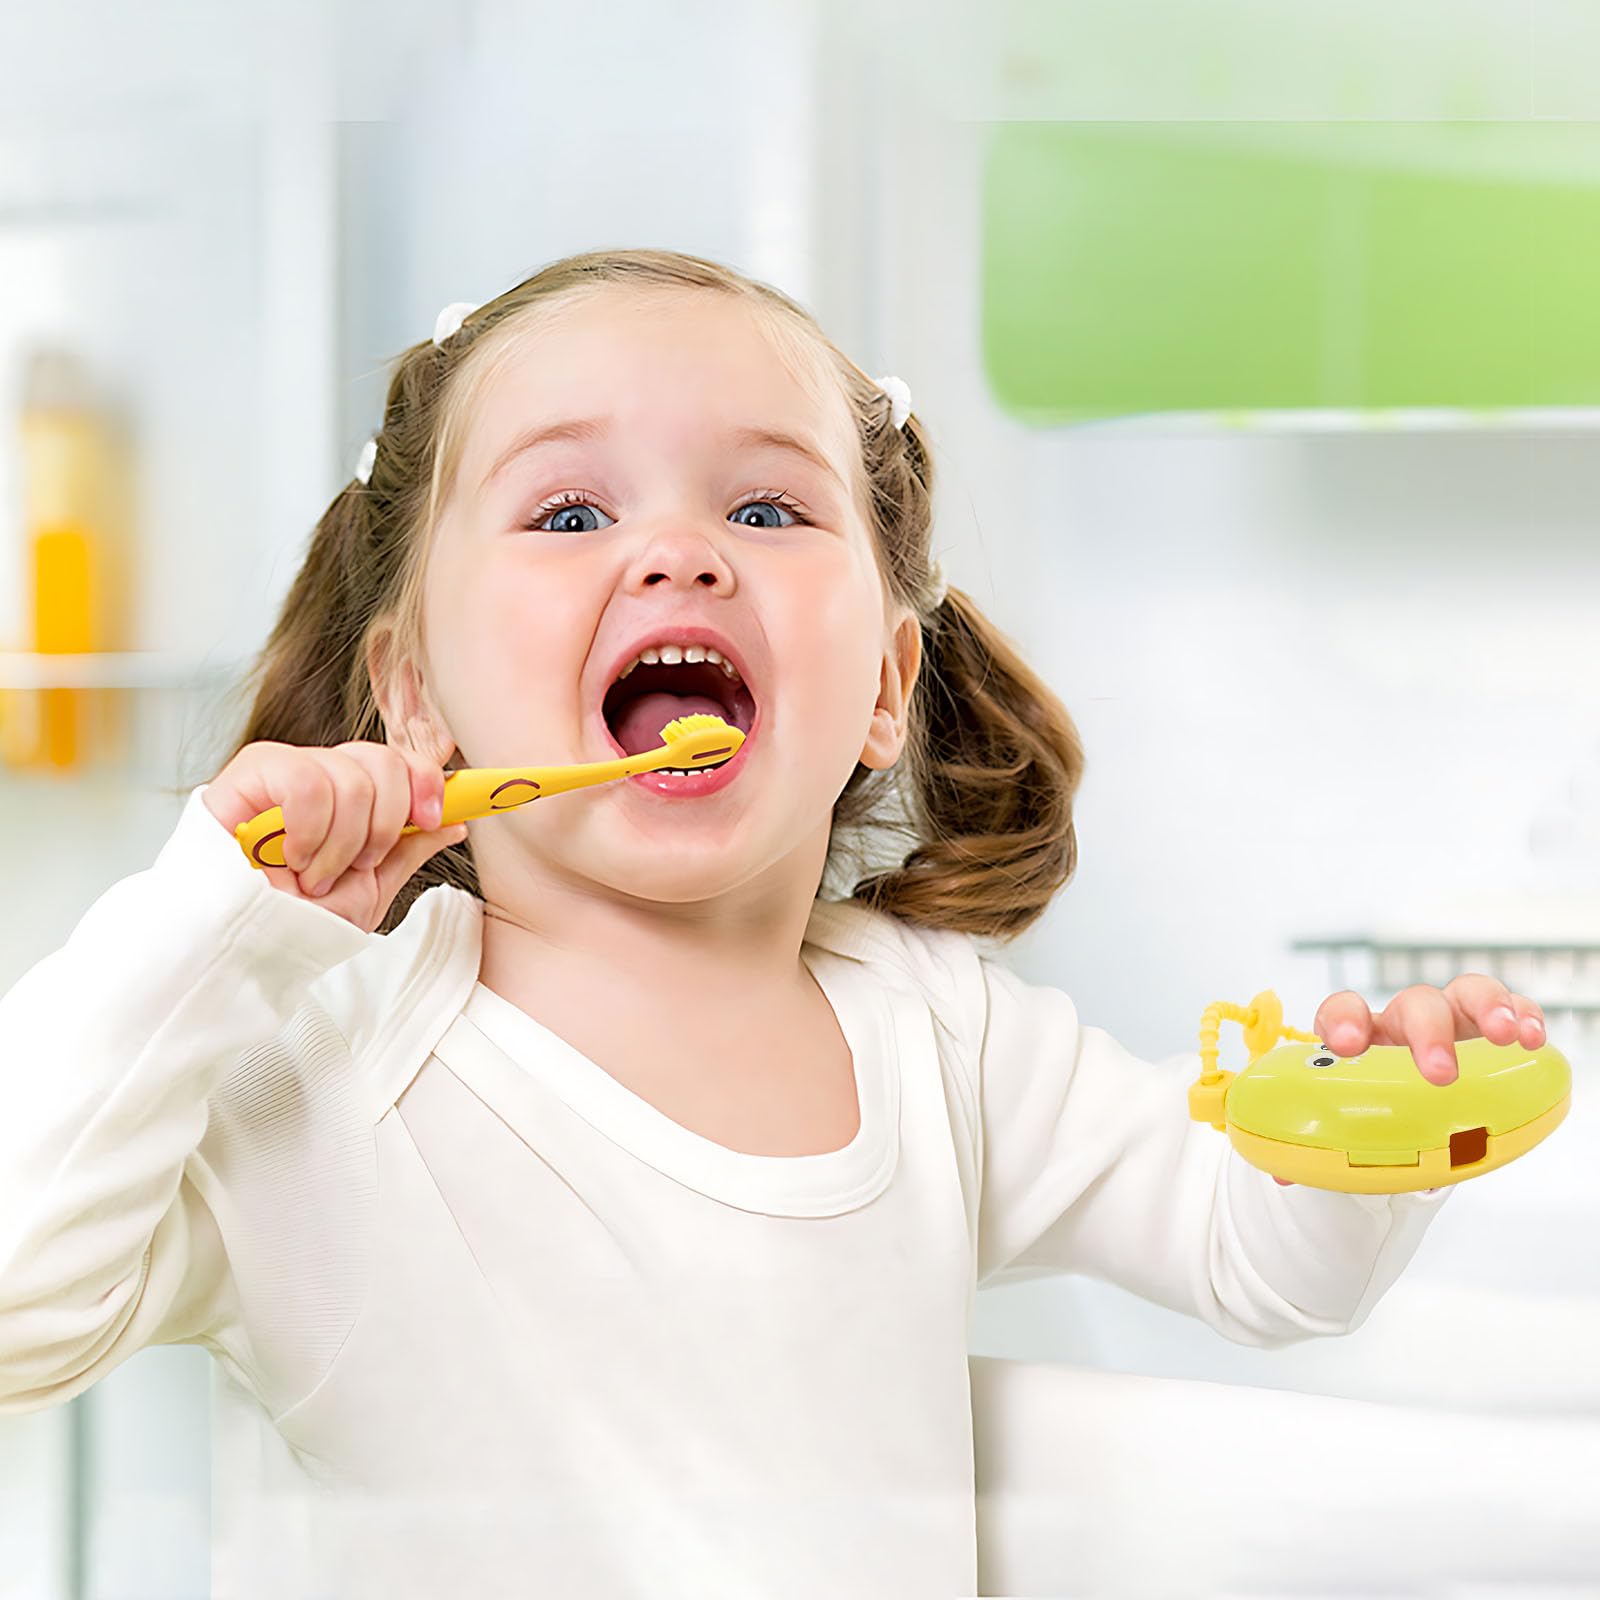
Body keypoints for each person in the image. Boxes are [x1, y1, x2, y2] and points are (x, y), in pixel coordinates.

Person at [0, 248, 1547, 1599]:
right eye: (569, 509)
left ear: (880, 684)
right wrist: (211, 928)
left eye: (763, 503)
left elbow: (1263, 1266)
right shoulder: (326, 1075)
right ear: (415, 695)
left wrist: (1370, 1136)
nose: (679, 553)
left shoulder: (941, 1033)